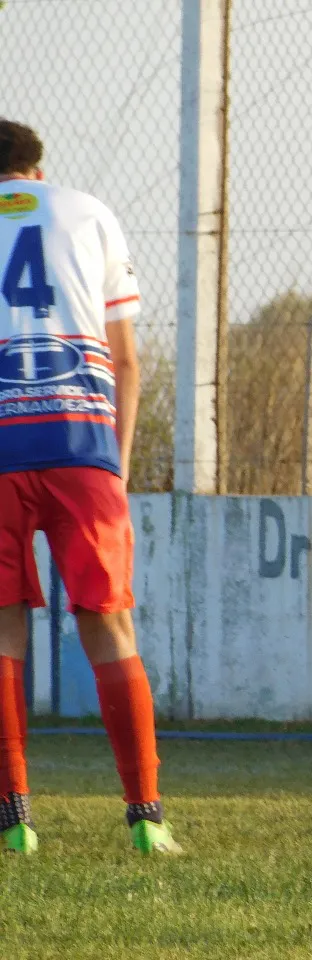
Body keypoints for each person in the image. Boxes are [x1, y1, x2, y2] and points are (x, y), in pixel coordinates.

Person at [0, 120, 179, 854]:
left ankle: (16, 823)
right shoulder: (88, 210)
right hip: (81, 440)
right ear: (38, 169)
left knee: (1, 627)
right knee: (108, 622)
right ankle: (146, 817)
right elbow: (127, 360)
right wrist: (118, 460)